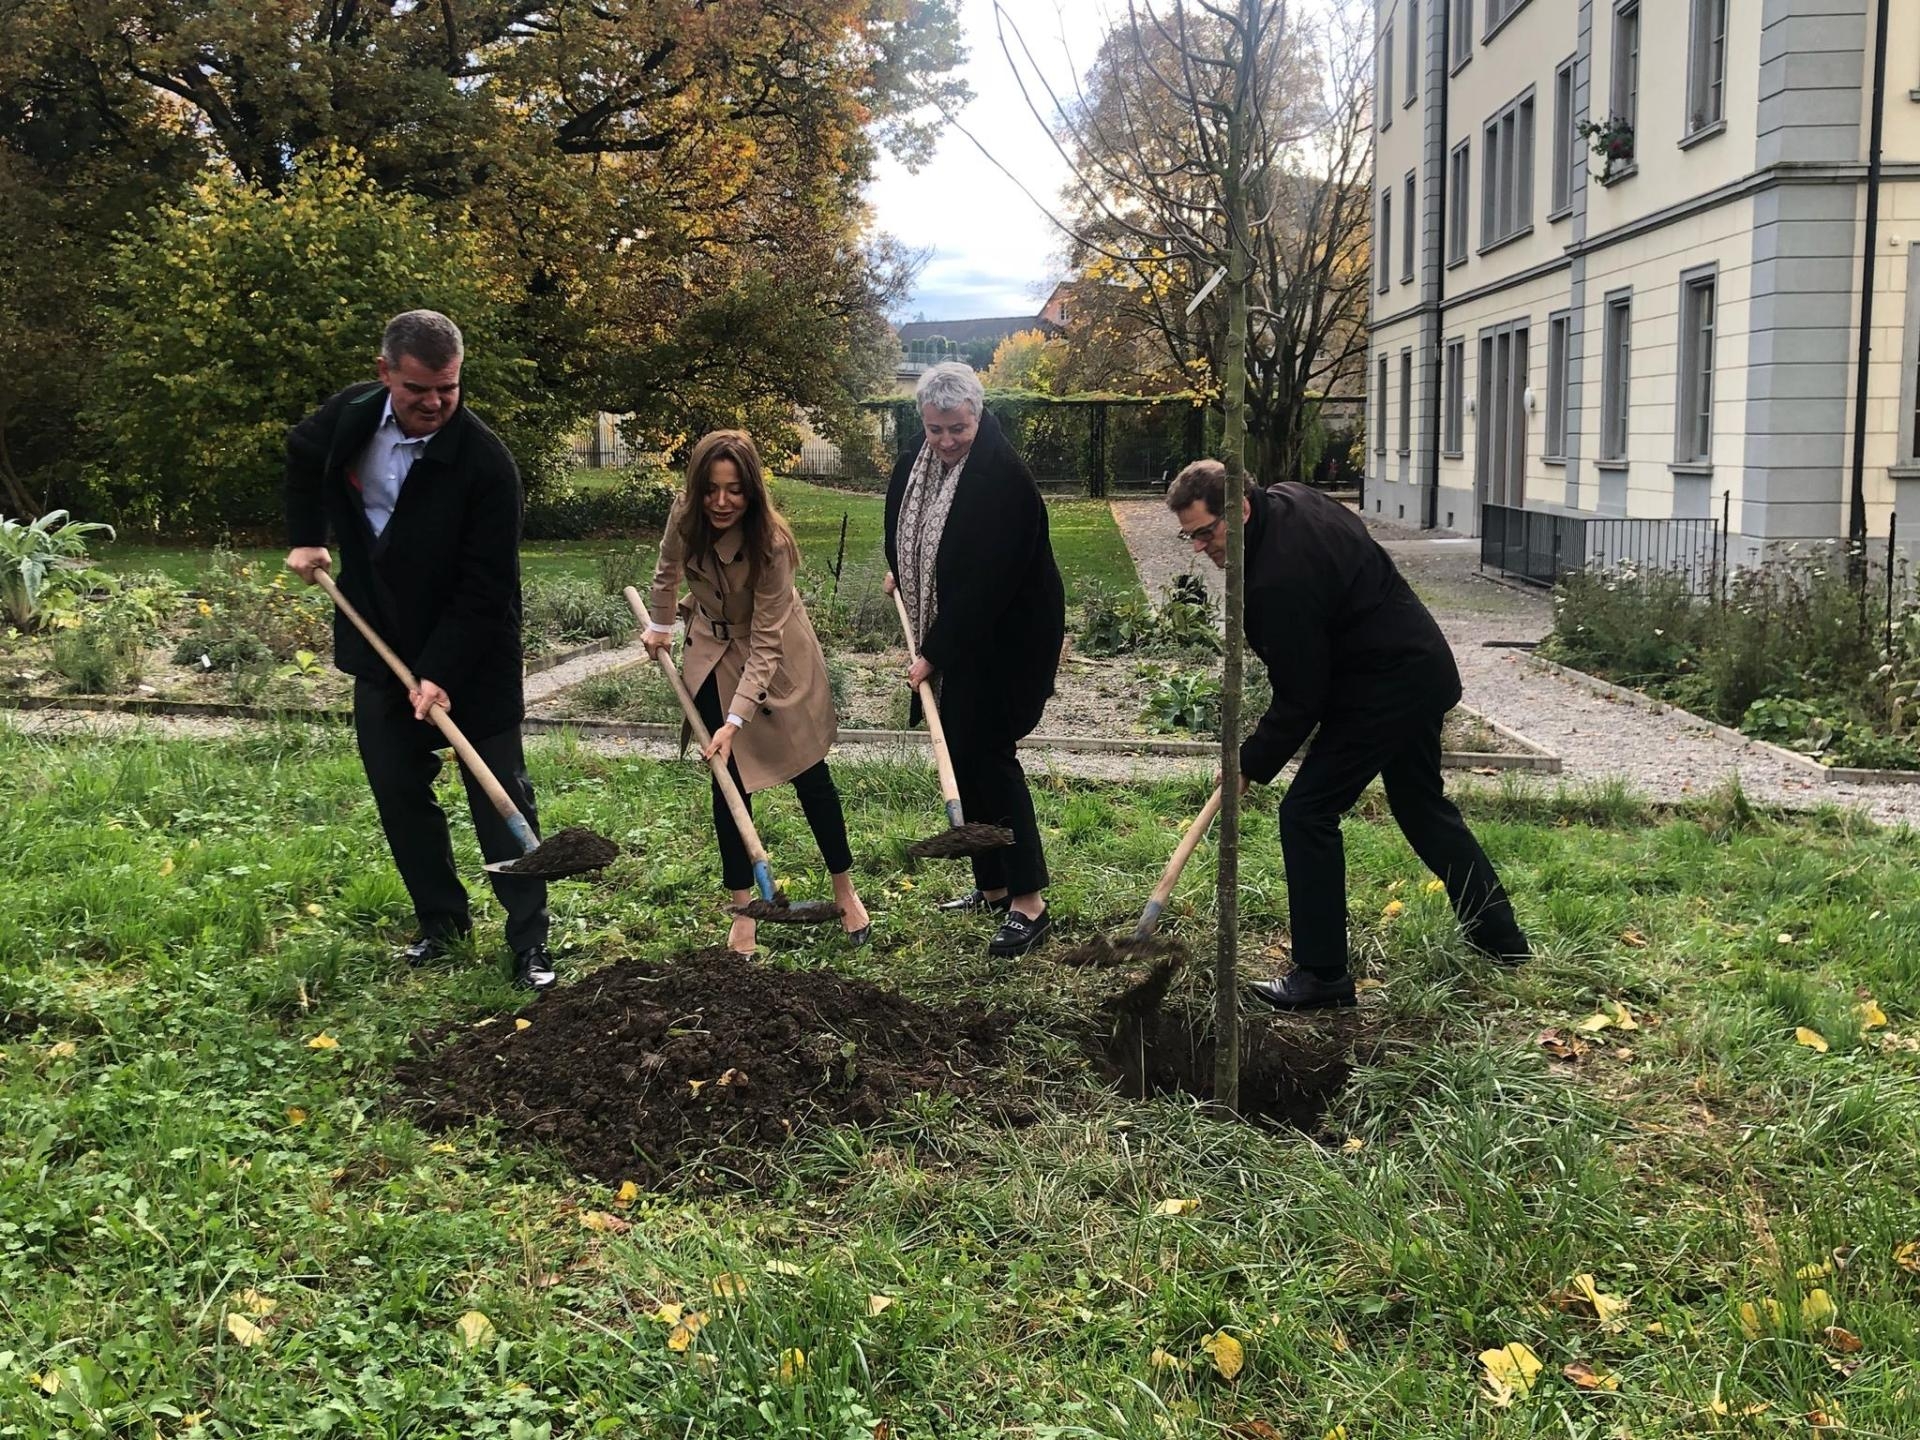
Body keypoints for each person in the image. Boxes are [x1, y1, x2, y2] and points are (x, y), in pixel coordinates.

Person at [1167, 460, 1530, 1009]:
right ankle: (1502, 941)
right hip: (1412, 664)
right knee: (1421, 806)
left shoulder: (1274, 582)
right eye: (1188, 535)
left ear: (1239, 510)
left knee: (1307, 812)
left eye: (1204, 532)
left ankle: (1323, 975)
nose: (1199, 548)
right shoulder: (1287, 496)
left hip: (1385, 684)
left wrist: (1250, 761)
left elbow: (1302, 695)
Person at [284, 310, 556, 992]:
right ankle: (441, 923)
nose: (434, 403)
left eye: (448, 388)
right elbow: (300, 451)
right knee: (399, 791)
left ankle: (529, 944)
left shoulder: (486, 466)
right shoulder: (350, 415)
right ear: (385, 375)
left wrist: (439, 673)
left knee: (501, 801)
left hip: (474, 653)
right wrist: (308, 534)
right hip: (381, 641)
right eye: (418, 390)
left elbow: (485, 588)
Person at [640, 430, 872, 957]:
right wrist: (660, 625)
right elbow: (666, 570)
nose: (722, 502)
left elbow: (766, 644)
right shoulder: (683, 516)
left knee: (811, 776)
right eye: (712, 489)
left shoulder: (772, 545)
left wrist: (736, 719)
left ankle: (846, 891)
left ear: (753, 492)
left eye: (736, 490)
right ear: (697, 488)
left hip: (777, 661)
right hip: (711, 656)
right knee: (729, 785)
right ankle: (745, 913)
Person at [883, 362, 1065, 957]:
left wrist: (933, 652)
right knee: (962, 755)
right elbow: (911, 526)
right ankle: (990, 887)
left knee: (990, 758)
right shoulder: (922, 456)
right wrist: (904, 567)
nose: (945, 441)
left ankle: (1029, 902)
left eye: (956, 428)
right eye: (935, 429)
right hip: (960, 630)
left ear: (978, 415)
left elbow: (988, 584)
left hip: (1006, 639)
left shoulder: (1001, 477)